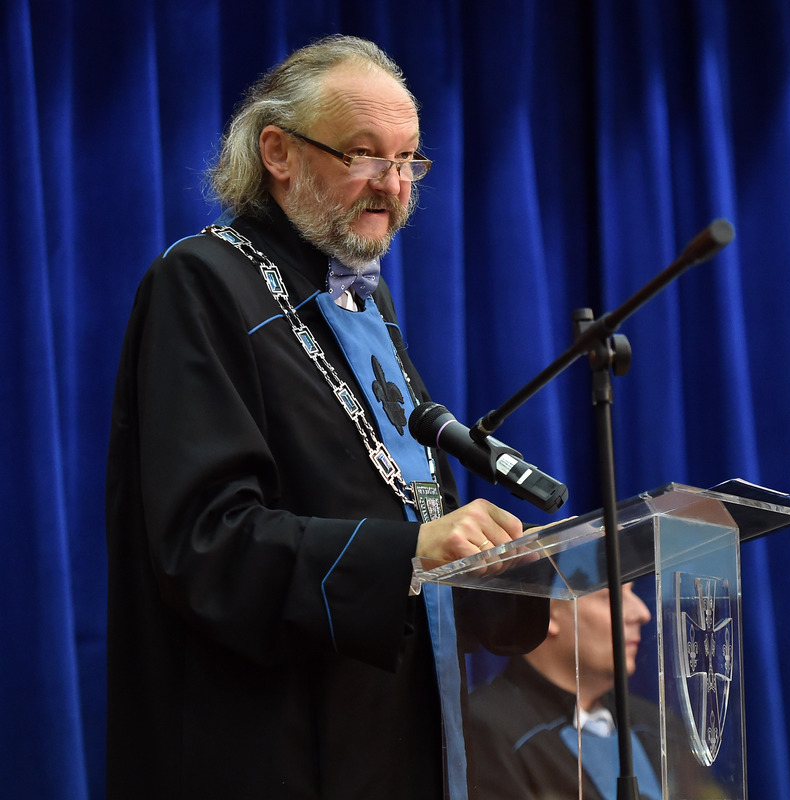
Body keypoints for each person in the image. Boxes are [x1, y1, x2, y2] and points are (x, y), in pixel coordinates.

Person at [106, 35, 548, 799]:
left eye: (407, 160)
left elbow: (403, 508)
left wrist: (487, 568)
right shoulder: (201, 282)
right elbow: (206, 541)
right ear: (278, 152)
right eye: (364, 154)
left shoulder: (363, 299)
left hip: (390, 735)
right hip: (268, 748)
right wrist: (411, 552)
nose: (393, 185)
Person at [467, 583, 709, 800]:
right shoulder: (486, 729)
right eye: (611, 596)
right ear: (548, 612)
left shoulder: (660, 726)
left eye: (632, 591)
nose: (642, 613)